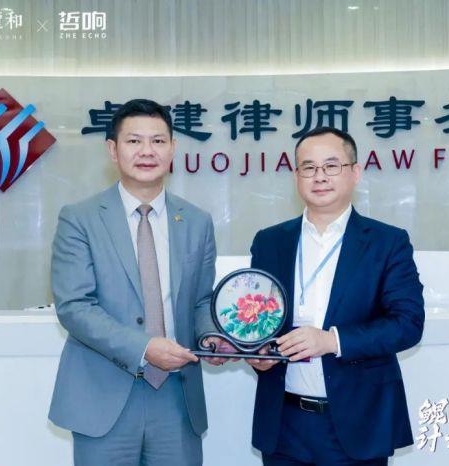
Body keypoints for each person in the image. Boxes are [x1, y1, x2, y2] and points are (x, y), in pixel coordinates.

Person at [48, 99, 226, 465]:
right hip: (104, 394)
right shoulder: (79, 219)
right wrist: (144, 348)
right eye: (134, 141)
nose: (147, 151)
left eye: (158, 141)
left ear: (173, 148)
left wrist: (212, 336)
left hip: (176, 395)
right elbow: (74, 307)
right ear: (113, 150)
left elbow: (201, 301)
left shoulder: (197, 222)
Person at [246, 126, 425, 465]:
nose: (320, 176)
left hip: (356, 424)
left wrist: (332, 341)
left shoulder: (387, 242)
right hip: (284, 425)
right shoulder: (269, 242)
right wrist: (258, 353)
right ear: (296, 176)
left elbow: (408, 324)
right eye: (309, 167)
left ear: (355, 173)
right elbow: (259, 318)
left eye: (331, 166)